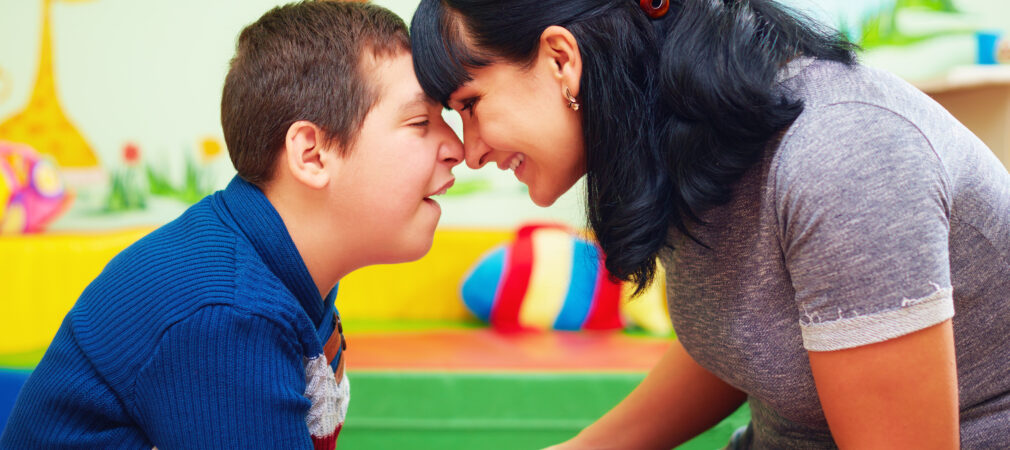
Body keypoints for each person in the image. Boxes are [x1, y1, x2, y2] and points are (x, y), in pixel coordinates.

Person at [409, 0, 1010, 447]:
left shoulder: (841, 152)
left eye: (470, 105)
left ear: (562, 60)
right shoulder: (685, 134)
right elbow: (753, 329)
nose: (470, 151)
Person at [0, 2, 462, 448]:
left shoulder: (277, 270)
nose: (456, 147)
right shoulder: (228, 312)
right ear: (311, 154)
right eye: (420, 121)